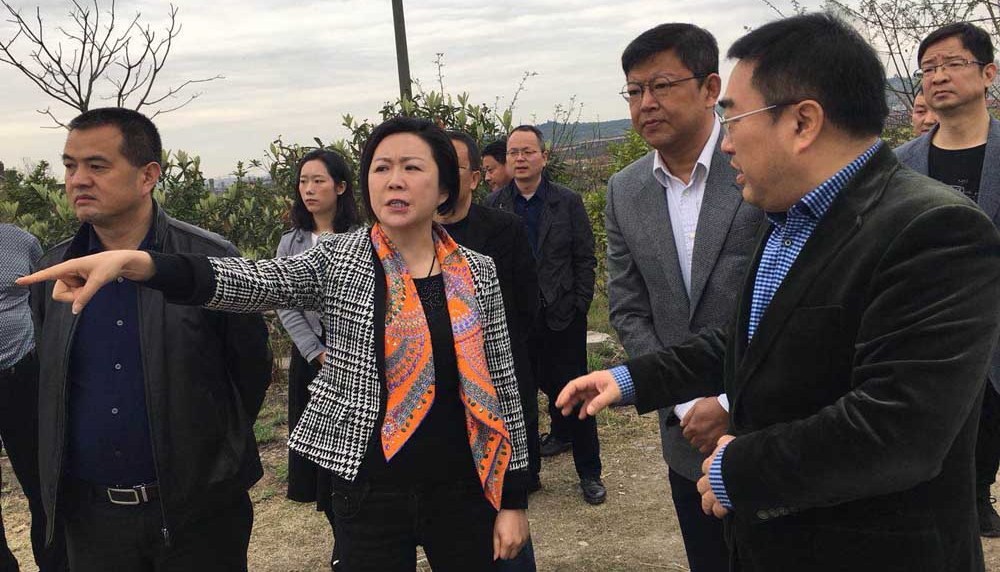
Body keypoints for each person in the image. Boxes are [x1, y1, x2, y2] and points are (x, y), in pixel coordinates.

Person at [557, 13, 1000, 572]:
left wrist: (738, 468)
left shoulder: (934, 230)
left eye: (733, 117)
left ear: (803, 122)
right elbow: (750, 342)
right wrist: (631, 379)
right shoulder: (791, 216)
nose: (725, 144)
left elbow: (898, 429)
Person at [22, 117, 532, 572]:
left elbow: (504, 387)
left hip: (465, 484)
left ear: (444, 188)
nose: (394, 180)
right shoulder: (341, 260)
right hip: (368, 488)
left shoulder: (477, 272)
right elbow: (253, 281)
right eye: (381, 168)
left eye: (412, 168)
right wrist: (144, 264)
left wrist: (512, 499)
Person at [28, 108, 272, 572]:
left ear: (148, 176)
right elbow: (55, 380)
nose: (78, 180)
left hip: (197, 514)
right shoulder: (55, 273)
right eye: (70, 166)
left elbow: (250, 373)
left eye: (97, 166)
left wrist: (213, 459)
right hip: (92, 519)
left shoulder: (209, 262)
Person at [607, 23, 763, 572]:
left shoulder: (758, 164)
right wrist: (684, 402)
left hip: (768, 425)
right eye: (634, 90)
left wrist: (727, 403)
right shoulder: (625, 190)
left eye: (662, 85)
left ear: (709, 87)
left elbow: (789, 297)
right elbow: (628, 307)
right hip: (686, 437)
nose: (646, 103)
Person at [896, 21, 1000, 538]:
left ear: (988, 74)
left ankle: (977, 492)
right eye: (928, 68)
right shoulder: (900, 165)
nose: (938, 76)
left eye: (952, 63)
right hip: (926, 327)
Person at [486, 125, 605, 506]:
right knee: (521, 399)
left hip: (562, 316)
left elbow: (584, 257)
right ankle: (528, 474)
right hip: (516, 321)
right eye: (513, 152)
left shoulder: (566, 201)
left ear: (544, 157)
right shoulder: (494, 205)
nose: (520, 159)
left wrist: (579, 304)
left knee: (578, 396)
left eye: (527, 151)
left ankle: (589, 473)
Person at [438, 130, 540, 572]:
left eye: (452, 166)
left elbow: (527, 308)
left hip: (497, 388)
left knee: (506, 517)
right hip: (440, 407)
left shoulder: (504, 230)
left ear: (476, 177)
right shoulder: (406, 239)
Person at [275, 148, 361, 566]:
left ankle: (354, 540)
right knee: (320, 458)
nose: (308, 189)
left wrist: (342, 353)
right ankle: (340, 542)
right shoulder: (290, 242)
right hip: (311, 364)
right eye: (303, 181)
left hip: (355, 363)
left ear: (340, 187)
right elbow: (284, 301)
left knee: (353, 457)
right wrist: (316, 352)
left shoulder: (362, 237)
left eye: (318, 181)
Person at [0, 224, 66, 572]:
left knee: (42, 483)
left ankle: (56, 564)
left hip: (22, 377)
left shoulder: (22, 242)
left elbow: (44, 302)